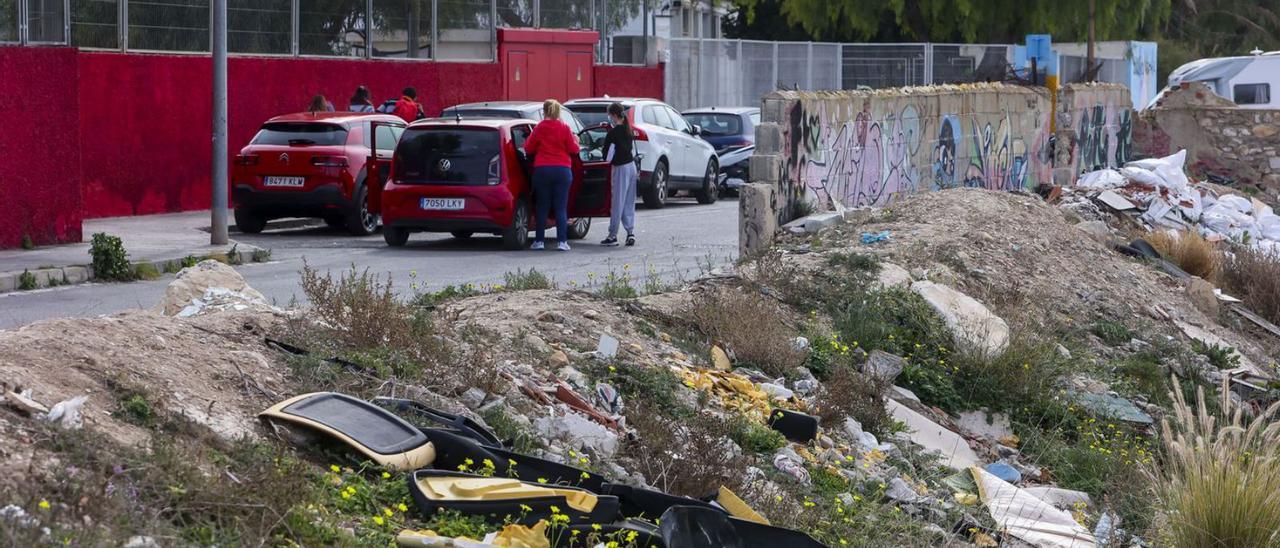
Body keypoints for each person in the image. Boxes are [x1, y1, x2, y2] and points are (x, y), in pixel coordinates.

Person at [523, 99, 580, 251]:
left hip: (543, 169)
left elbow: (528, 148)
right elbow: (574, 149)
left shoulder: (540, 127)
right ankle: (562, 241)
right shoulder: (564, 127)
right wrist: (576, 140)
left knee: (542, 206)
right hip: (562, 170)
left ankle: (539, 241)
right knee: (561, 207)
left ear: (544, 111)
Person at [600, 102, 637, 247]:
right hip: (631, 166)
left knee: (617, 202)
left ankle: (612, 235)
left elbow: (607, 155)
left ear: (614, 115)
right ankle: (630, 232)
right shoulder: (628, 129)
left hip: (620, 167)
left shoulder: (613, 133)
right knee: (629, 201)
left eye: (610, 115)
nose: (610, 117)